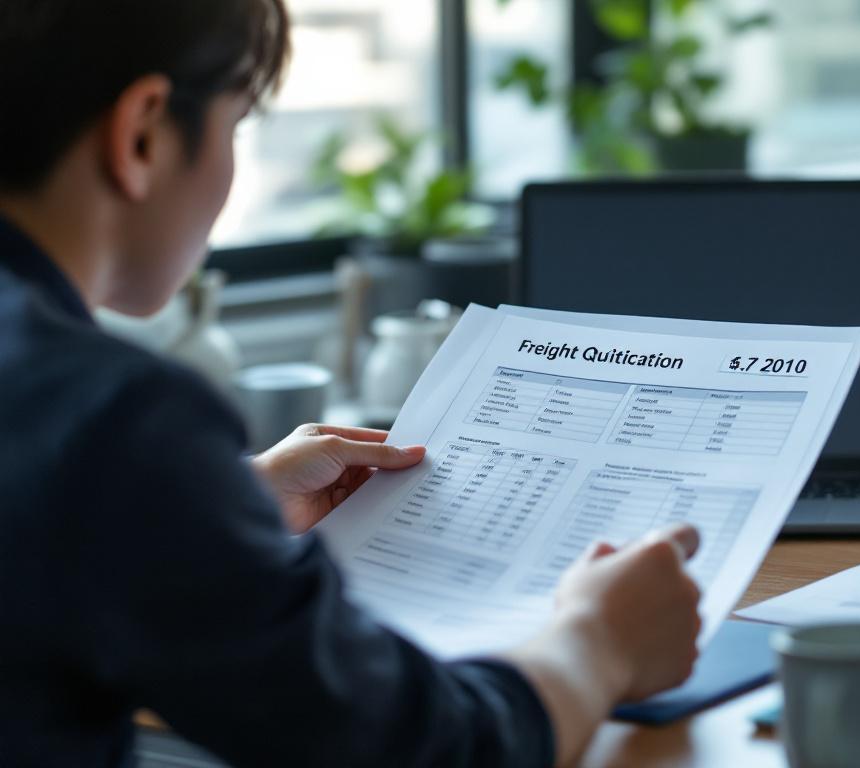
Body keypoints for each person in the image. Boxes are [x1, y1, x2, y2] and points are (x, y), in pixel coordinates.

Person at [0, 1, 702, 766]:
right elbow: (429, 749)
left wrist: (216, 506)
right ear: (141, 134)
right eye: (238, 125)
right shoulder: (117, 418)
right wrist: (601, 640)